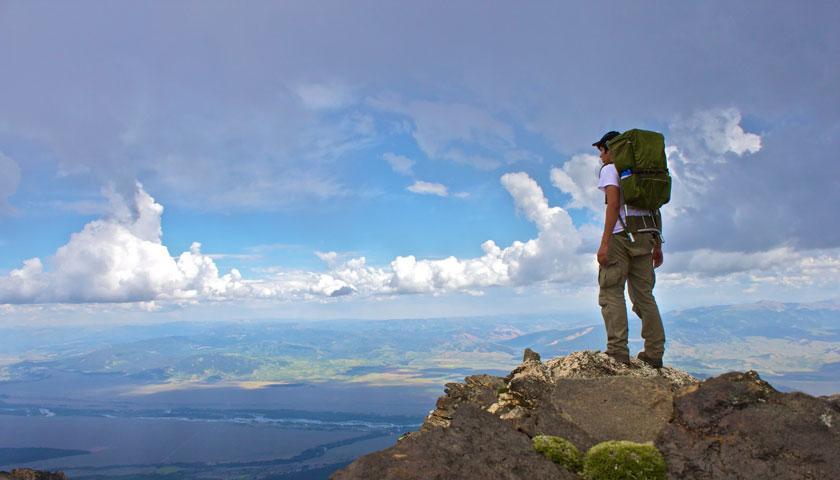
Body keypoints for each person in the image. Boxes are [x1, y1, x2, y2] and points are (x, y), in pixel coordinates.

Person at [592, 131, 666, 368]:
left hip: (621, 237)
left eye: (601, 152)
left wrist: (604, 243)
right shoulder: (641, 172)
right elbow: (654, 208)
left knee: (611, 291)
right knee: (644, 296)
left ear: (609, 148)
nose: (601, 157)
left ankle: (617, 352)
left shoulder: (611, 169)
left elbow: (613, 204)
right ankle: (654, 354)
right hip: (646, 236)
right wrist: (657, 243)